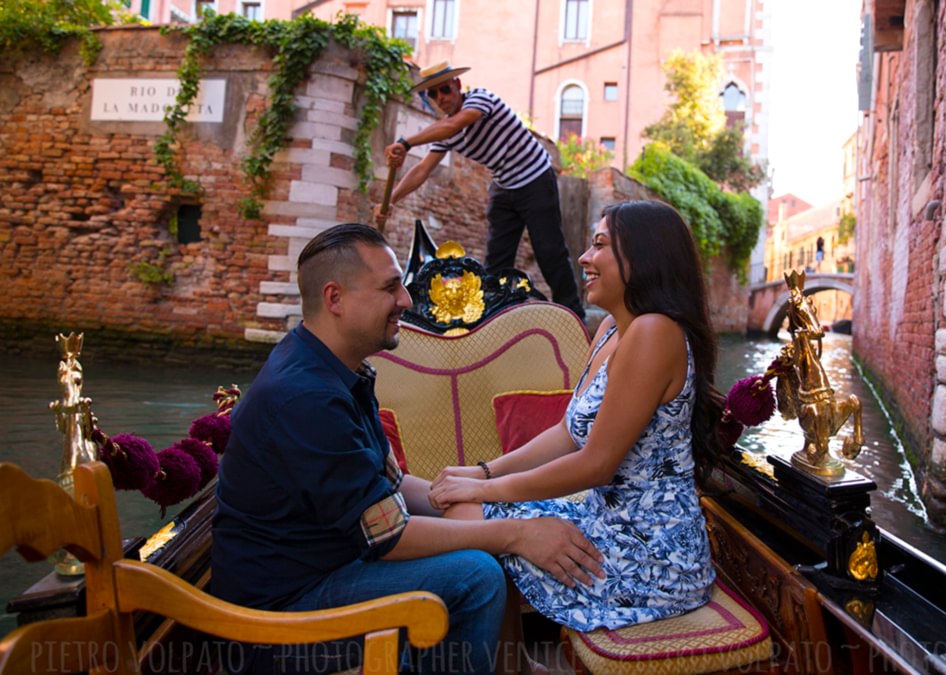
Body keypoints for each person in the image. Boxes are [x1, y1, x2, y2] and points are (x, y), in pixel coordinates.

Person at [211, 223, 603, 674]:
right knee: (475, 576)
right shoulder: (306, 397)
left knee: (492, 531)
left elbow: (392, 486)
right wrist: (516, 533)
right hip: (280, 615)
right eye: (389, 287)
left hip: (327, 566)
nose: (406, 300)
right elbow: (390, 537)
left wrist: (477, 496)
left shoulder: (336, 370)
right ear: (335, 299)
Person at [428, 201, 723, 631]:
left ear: (642, 257)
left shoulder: (654, 332)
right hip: (606, 520)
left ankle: (512, 666)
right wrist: (482, 473)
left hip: (650, 549)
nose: (584, 258)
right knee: (470, 514)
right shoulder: (609, 330)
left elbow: (596, 465)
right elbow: (568, 433)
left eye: (600, 245)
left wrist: (488, 492)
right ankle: (518, 668)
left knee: (466, 518)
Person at [373, 61, 586, 320]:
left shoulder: (480, 99)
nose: (441, 98)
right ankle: (493, 320)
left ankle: (575, 317)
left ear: (458, 86)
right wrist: (390, 201)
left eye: (445, 90)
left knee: (550, 252)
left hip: (535, 178)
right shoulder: (443, 132)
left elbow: (455, 125)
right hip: (504, 185)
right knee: (496, 262)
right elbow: (422, 170)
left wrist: (405, 142)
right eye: (433, 94)